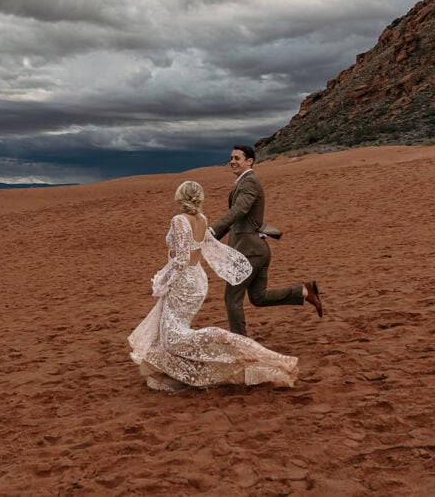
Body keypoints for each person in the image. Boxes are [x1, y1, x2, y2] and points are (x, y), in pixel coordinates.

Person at [128, 181, 299, 392]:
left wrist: (163, 280)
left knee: (173, 336)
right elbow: (209, 247)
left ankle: (219, 342)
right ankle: (176, 369)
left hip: (184, 282)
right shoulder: (202, 219)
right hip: (197, 279)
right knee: (172, 331)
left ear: (179, 197)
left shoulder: (179, 220)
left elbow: (181, 259)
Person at [210, 145, 322, 337]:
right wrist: (212, 239)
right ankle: (304, 292)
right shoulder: (243, 182)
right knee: (258, 297)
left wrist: (212, 229)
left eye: (237, 158)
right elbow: (238, 218)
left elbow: (239, 211)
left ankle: (241, 345)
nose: (232, 161)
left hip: (249, 251)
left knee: (232, 299)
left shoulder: (250, 182)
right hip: (257, 250)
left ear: (250, 161)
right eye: (231, 158)